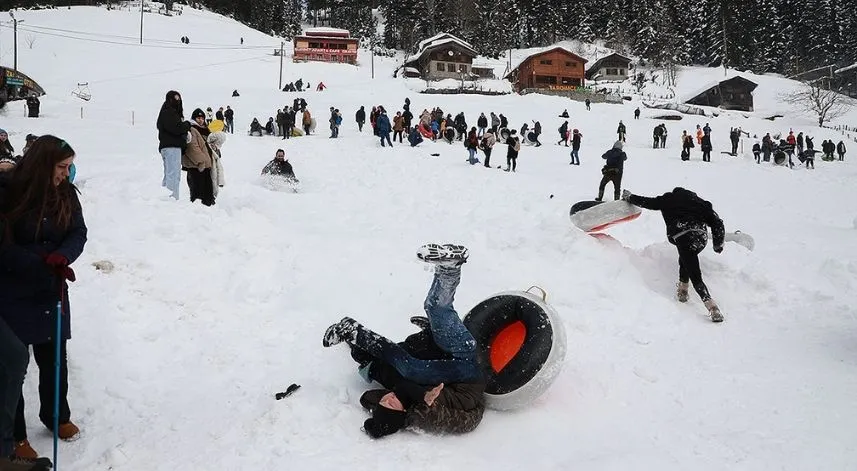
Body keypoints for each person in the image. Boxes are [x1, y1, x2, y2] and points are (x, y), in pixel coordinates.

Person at [322, 243, 485, 438]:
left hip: (447, 359)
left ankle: (449, 267)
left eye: (385, 400)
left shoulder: (404, 396)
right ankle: (355, 332)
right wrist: (425, 397)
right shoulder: (424, 413)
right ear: (401, 413)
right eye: (391, 404)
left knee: (433, 308)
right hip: (469, 372)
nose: (389, 397)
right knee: (410, 369)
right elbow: (410, 393)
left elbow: (368, 398)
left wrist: (378, 416)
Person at [0, 136, 87, 460]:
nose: (67, 173)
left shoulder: (65, 192)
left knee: (54, 358)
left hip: (51, 286)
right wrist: (37, 263)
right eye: (62, 167)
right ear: (42, 164)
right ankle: (15, 434)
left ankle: (56, 416)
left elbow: (78, 231)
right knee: (12, 366)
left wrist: (62, 256)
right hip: (14, 288)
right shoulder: (9, 193)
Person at [622, 188, 725, 322]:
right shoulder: (700, 203)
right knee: (687, 258)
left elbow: (648, 202)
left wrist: (630, 197)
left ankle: (711, 306)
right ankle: (683, 290)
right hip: (700, 238)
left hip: (683, 235)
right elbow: (718, 223)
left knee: (694, 273)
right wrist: (717, 245)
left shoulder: (669, 199)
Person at [156, 91, 191, 200]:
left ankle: (166, 198)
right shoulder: (168, 111)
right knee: (173, 175)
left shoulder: (170, 112)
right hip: (171, 147)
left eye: (179, 99)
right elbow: (176, 128)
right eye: (175, 99)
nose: (178, 101)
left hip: (170, 147)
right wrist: (187, 125)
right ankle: (171, 200)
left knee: (170, 174)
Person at [183, 109, 216, 206]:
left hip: (206, 165)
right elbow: (192, 147)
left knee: (207, 192)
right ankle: (198, 214)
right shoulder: (191, 129)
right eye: (198, 118)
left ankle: (209, 211)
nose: (200, 120)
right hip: (196, 165)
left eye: (202, 118)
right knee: (197, 194)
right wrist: (201, 161)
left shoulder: (206, 130)